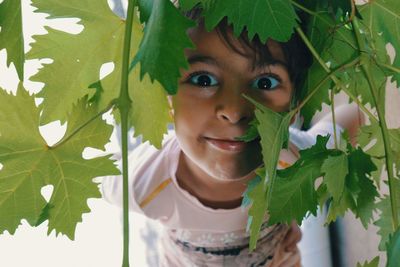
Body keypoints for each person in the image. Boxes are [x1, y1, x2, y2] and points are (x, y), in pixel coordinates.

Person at [101, 4, 363, 267]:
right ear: (165, 96)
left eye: (265, 83)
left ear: (295, 104)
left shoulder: (295, 167)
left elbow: (353, 118)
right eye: (203, 80)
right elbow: (96, 176)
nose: (234, 111)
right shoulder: (143, 182)